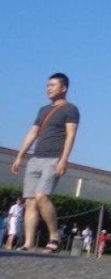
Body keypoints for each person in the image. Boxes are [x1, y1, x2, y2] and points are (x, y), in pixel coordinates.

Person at [11, 73, 80, 252]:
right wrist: (20, 156)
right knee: (30, 202)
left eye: (52, 85)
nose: (48, 88)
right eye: (47, 85)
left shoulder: (70, 109)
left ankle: (54, 237)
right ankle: (28, 243)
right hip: (36, 158)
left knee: (42, 196)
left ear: (63, 88)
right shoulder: (42, 110)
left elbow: (71, 135)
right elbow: (32, 133)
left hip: (54, 158)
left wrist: (64, 160)